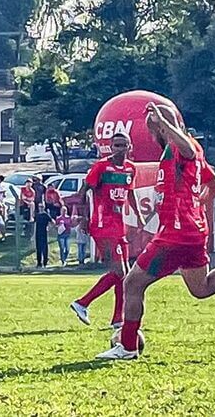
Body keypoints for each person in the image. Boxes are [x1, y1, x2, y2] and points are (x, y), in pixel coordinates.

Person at [96, 103, 215, 360]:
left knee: (132, 283)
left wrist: (165, 124)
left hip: (175, 234)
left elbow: (187, 150)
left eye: (152, 124)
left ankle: (128, 346)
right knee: (201, 288)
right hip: (192, 232)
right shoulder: (178, 150)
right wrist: (196, 204)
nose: (150, 129)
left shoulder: (181, 146)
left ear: (164, 125)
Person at [69, 132, 139, 330]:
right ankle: (82, 303)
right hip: (102, 225)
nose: (119, 149)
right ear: (110, 147)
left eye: (123, 145)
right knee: (120, 271)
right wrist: (83, 217)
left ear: (129, 147)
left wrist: (139, 216)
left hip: (119, 226)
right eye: (116, 145)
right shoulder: (101, 167)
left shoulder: (130, 169)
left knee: (123, 276)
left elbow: (130, 194)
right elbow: (83, 192)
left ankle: (118, 319)